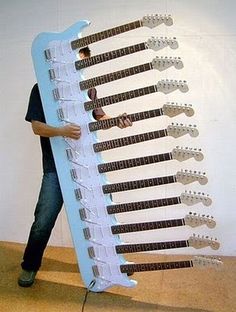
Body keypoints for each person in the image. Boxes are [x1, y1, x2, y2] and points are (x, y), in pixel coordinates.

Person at [18, 46, 132, 287]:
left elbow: (99, 118)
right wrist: (61, 131)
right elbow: (37, 127)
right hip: (55, 169)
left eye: (83, 64)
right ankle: (29, 266)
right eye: (76, 63)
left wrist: (116, 122)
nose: (79, 68)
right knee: (44, 219)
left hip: (87, 165)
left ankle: (113, 265)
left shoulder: (89, 89)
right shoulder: (41, 89)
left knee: (102, 214)